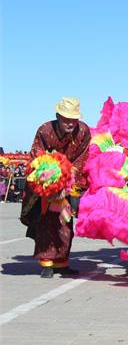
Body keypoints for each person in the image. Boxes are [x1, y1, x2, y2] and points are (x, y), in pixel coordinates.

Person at [21, 97, 91, 278]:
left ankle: (62, 262)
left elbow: (82, 158)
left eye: (73, 119)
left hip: (69, 184)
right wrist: (51, 180)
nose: (70, 123)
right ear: (58, 116)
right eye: (66, 119)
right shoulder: (45, 130)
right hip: (46, 184)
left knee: (65, 224)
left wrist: (67, 179)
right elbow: (37, 156)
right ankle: (47, 263)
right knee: (45, 223)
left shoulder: (83, 130)